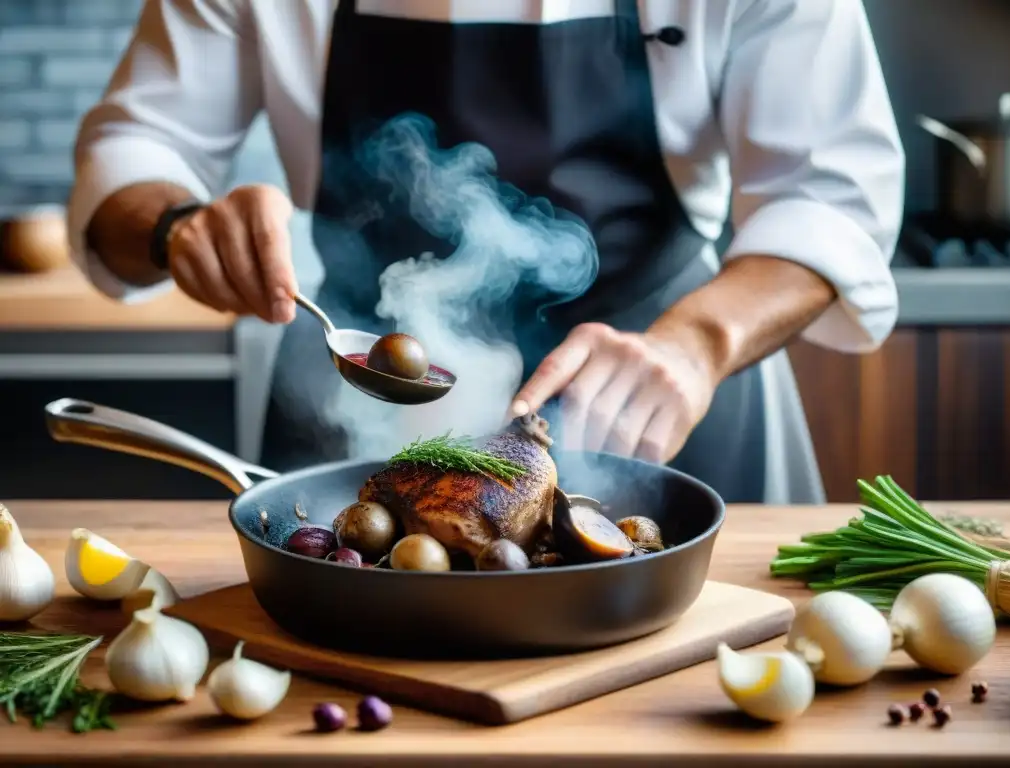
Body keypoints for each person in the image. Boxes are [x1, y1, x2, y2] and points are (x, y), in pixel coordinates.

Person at [68, 0, 905, 505]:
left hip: (667, 395)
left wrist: (697, 344)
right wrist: (176, 226)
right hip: (354, 419)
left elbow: (827, 196)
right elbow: (138, 148)